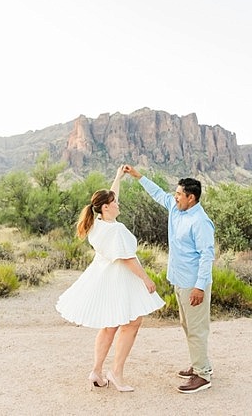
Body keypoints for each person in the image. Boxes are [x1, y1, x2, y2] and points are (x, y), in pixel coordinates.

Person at [55, 165, 165, 393]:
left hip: (104, 277)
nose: (119, 203)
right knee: (132, 322)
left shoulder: (97, 224)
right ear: (106, 207)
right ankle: (116, 372)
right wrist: (146, 279)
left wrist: (118, 177)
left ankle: (97, 371)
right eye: (114, 202)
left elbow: (111, 196)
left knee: (110, 325)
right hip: (119, 279)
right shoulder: (114, 230)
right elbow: (127, 258)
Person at [124, 165, 215, 394]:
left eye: (178, 195)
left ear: (190, 198)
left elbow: (207, 256)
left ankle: (203, 375)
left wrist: (200, 287)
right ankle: (199, 365)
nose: (174, 197)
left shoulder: (200, 222)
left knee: (196, 328)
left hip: (194, 284)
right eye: (175, 194)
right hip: (179, 279)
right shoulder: (176, 210)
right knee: (187, 325)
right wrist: (138, 176)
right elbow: (157, 194)